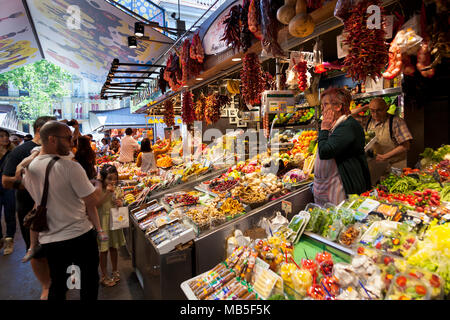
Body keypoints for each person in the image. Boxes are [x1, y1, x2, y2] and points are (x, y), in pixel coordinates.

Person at [22, 121, 106, 300]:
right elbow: (94, 200)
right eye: (68, 139)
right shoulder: (70, 167)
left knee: (58, 284)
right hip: (79, 235)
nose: (72, 144)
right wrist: (98, 184)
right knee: (89, 281)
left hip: (50, 239)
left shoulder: (30, 168)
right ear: (52, 139)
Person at [2, 116, 56, 300]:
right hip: (31, 210)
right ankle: (46, 286)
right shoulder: (20, 152)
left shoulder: (57, 150)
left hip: (59, 210)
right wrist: (33, 185)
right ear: (41, 130)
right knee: (37, 252)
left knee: (59, 248)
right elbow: (6, 181)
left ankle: (59, 282)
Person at [313, 88, 371, 206]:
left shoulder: (347, 127)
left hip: (342, 186)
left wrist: (323, 129)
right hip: (328, 185)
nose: (322, 109)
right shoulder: (339, 124)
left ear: (338, 107)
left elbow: (325, 152)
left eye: (325, 105)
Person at [365, 98, 413, 181]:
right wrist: (365, 107)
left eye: (379, 110)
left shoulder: (396, 121)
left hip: (395, 166)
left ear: (386, 108)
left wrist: (385, 156)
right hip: (376, 168)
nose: (375, 114)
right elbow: (350, 115)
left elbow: (406, 146)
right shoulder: (368, 121)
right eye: (372, 111)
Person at [95, 164, 126, 287]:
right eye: (109, 178)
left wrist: (120, 203)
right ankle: (104, 275)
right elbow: (96, 204)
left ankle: (115, 270)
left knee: (114, 247)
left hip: (114, 221)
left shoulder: (117, 189)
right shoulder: (99, 190)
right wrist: (107, 193)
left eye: (115, 178)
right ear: (103, 179)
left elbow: (120, 201)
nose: (112, 181)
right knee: (103, 250)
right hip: (103, 223)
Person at [0, 129, 16, 255]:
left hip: (9, 186)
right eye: (1, 136)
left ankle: (9, 241)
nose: (5, 138)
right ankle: (0, 239)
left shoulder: (13, 152)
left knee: (9, 214)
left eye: (6, 136)